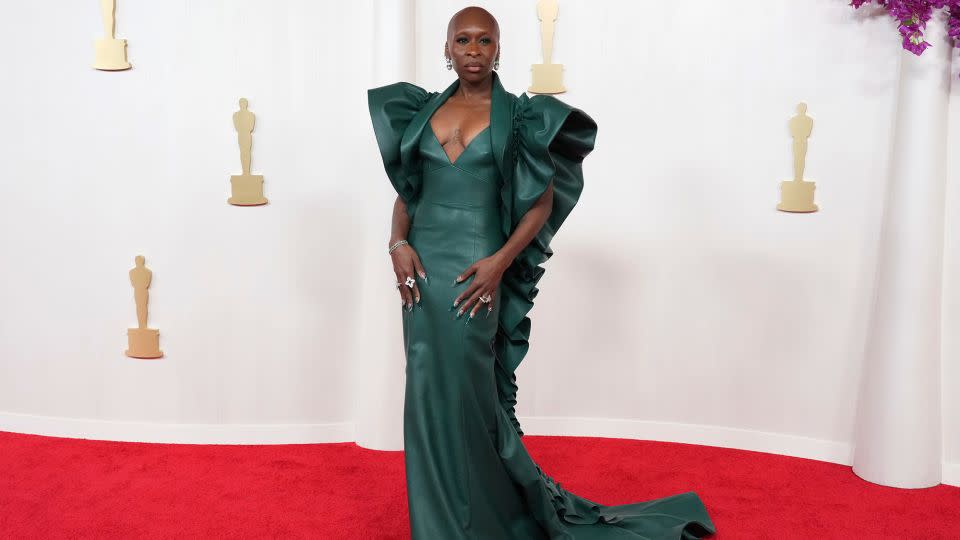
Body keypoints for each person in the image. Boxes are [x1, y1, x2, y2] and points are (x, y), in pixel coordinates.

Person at [368, 7, 717, 539]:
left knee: (468, 398)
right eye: (462, 40)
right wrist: (397, 243)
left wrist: (499, 265)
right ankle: (436, 525)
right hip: (421, 273)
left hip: (476, 272)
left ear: (499, 49)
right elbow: (408, 193)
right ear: (447, 48)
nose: (474, 50)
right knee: (424, 394)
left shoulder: (520, 117)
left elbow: (539, 204)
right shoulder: (420, 112)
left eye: (486, 41)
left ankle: (480, 519)